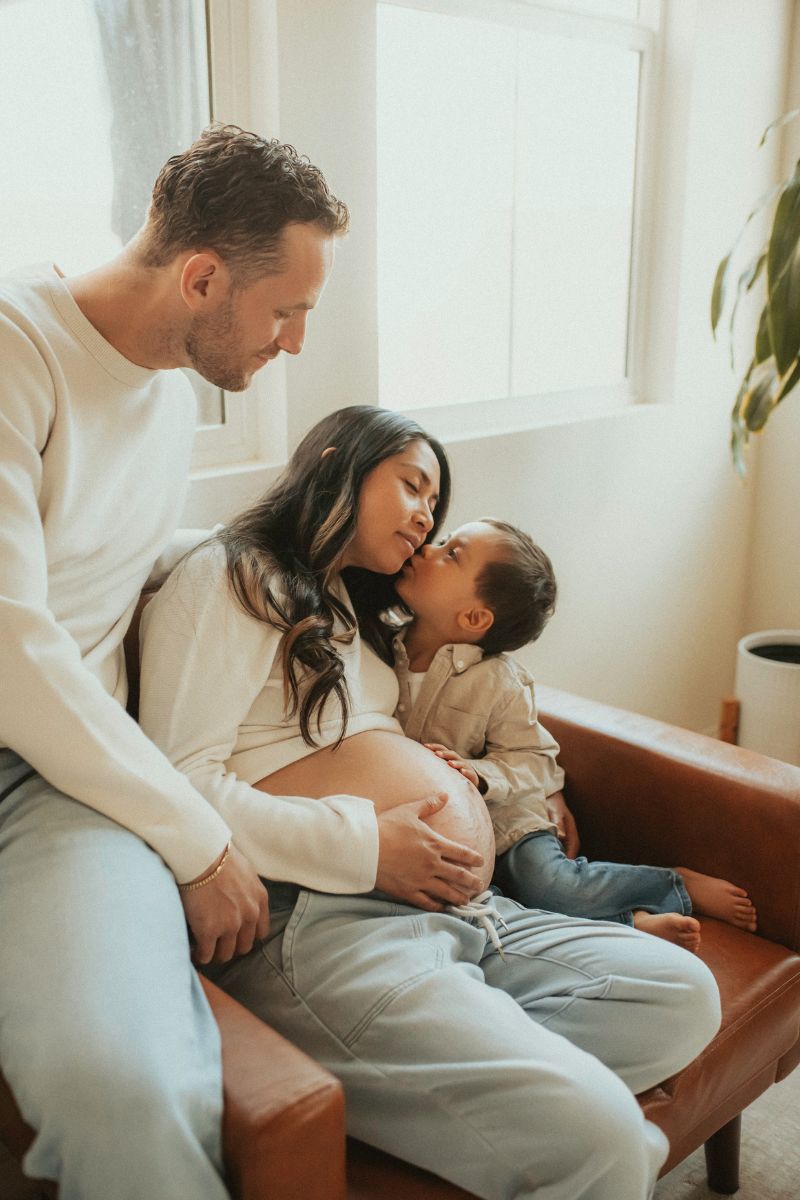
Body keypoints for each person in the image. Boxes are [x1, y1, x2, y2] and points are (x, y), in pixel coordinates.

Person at [139, 404, 722, 1200]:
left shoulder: (347, 600)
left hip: (460, 910)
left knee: (680, 995)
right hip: (318, 918)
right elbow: (181, 782)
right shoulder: (235, 577)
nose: (425, 516)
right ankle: (532, 1104)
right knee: (609, 1142)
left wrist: (477, 785)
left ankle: (451, 1071)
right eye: (412, 486)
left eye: (434, 503)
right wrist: (369, 847)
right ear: (338, 461)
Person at [0, 124, 350, 1200]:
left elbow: (110, 557)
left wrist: (296, 571)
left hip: (59, 787)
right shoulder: (15, 349)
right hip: (46, 731)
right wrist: (197, 839)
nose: (296, 343)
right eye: (285, 311)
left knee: (131, 1089)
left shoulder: (165, 395)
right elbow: (11, 645)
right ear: (201, 278)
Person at [390, 518, 759, 954]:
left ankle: (674, 885)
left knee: (549, 885)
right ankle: (632, 924)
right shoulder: (379, 649)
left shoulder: (500, 682)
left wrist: (479, 773)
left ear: (474, 617)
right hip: (453, 833)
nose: (427, 547)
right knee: (484, 903)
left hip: (509, 825)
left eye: (451, 552)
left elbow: (532, 757)